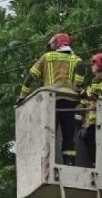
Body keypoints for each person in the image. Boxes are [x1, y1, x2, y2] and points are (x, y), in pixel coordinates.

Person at [17, 33, 87, 165]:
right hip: (69, 101)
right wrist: (79, 88)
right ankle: (69, 163)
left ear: (56, 44)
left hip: (50, 100)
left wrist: (22, 95)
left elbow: (31, 76)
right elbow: (81, 71)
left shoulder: (47, 57)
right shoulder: (76, 59)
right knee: (68, 134)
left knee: (47, 133)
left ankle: (45, 163)